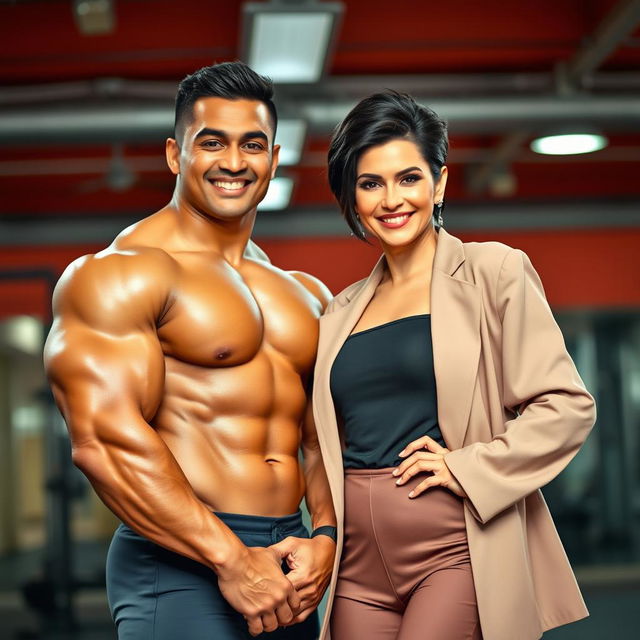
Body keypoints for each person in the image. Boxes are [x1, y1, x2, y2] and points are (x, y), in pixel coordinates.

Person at [43, 61, 337, 640]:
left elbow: (319, 433)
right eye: (213, 143)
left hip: (291, 559)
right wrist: (230, 559)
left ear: (275, 160)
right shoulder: (121, 274)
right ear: (176, 155)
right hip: (181, 559)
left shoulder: (306, 293)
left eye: (252, 145)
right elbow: (106, 441)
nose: (234, 162)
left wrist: (325, 533)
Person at [310, 91, 596, 640]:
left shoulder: (495, 272)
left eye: (408, 178)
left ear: (439, 183)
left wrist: (466, 467)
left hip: (454, 546)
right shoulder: (338, 311)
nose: (391, 199)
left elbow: (567, 407)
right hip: (356, 565)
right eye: (370, 183)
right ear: (352, 194)